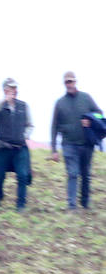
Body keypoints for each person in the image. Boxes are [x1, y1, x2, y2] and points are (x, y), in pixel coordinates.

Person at [49, 71, 102, 210]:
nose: (69, 84)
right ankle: (72, 206)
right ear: (64, 83)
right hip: (68, 144)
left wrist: (90, 119)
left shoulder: (86, 98)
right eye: (67, 82)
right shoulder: (60, 103)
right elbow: (54, 127)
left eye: (71, 81)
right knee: (72, 174)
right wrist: (54, 150)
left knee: (85, 175)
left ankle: (84, 203)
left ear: (75, 82)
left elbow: (100, 113)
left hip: (86, 144)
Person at [0, 78, 32, 210]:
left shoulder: (24, 106)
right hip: (2, 147)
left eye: (15, 88)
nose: (14, 91)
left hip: (20, 148)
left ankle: (21, 205)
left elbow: (30, 125)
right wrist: (4, 100)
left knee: (22, 175)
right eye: (11, 88)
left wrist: (25, 136)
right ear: (5, 90)